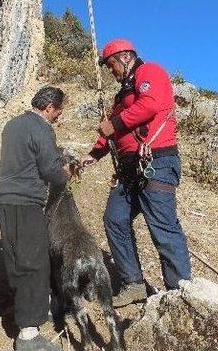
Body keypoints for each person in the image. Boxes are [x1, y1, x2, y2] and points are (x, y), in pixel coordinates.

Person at [81, 39, 192, 307]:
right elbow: (111, 133)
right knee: (115, 218)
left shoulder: (149, 72)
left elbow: (150, 105)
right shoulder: (122, 97)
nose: (110, 71)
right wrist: (93, 155)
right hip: (130, 169)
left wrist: (116, 123)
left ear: (125, 58)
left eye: (111, 65)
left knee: (163, 228)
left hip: (156, 162)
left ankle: (179, 293)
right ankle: (133, 283)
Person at [0, 86, 69, 351]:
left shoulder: (12, 124)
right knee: (33, 263)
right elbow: (49, 168)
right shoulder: (42, 128)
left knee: (17, 258)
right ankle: (28, 335)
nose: (58, 117)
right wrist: (67, 175)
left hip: (4, 199)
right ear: (49, 107)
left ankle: (36, 307)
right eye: (58, 112)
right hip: (26, 203)